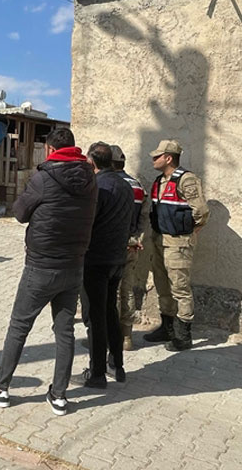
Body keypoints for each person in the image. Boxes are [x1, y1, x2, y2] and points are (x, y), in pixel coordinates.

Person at [0, 127, 96, 416]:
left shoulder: (44, 178)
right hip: (74, 265)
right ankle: (59, 396)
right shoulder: (91, 179)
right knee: (65, 331)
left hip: (42, 266)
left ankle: (1, 388)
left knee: (19, 326)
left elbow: (19, 213)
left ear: (50, 150)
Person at [142, 140, 210, 351]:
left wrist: (192, 231)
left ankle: (183, 335)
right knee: (162, 285)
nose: (153, 160)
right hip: (159, 240)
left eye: (157, 156)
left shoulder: (187, 180)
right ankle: (167, 327)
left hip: (177, 242)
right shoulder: (159, 181)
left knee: (179, 288)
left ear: (168, 158)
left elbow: (201, 211)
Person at [80, 142, 135, 388]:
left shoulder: (97, 186)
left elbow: (88, 223)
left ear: (91, 162)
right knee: (110, 310)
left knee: (95, 317)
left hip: (96, 260)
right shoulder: (125, 185)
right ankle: (118, 365)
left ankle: (97, 373)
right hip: (117, 258)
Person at [109, 144, 147, 351]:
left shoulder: (108, 184)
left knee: (111, 292)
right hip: (131, 245)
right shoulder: (138, 186)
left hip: (112, 245)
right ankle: (127, 338)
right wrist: (136, 239)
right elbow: (144, 217)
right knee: (128, 291)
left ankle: (110, 337)